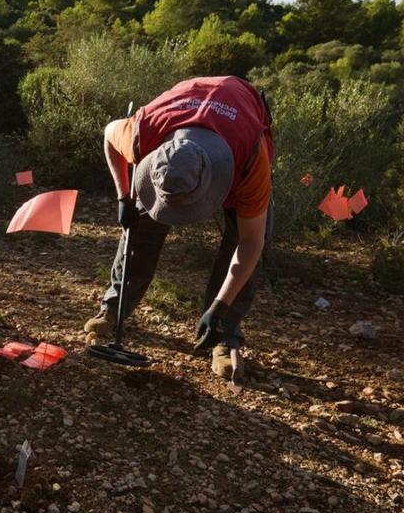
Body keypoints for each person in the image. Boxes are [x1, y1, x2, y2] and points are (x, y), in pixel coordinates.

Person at [84, 76, 274, 384]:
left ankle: (224, 335)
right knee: (140, 224)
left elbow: (252, 243)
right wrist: (123, 197)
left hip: (237, 132)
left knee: (242, 237)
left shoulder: (251, 159)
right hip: (178, 126)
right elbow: (109, 134)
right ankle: (114, 307)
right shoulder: (143, 133)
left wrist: (219, 307)